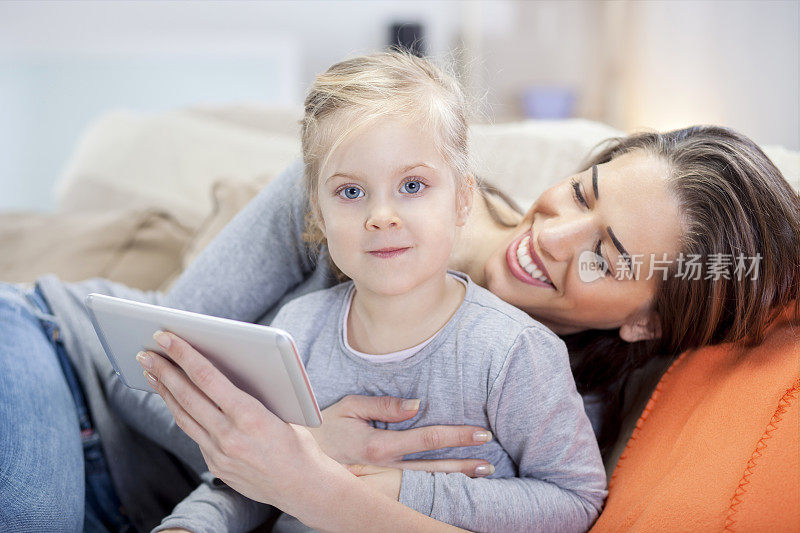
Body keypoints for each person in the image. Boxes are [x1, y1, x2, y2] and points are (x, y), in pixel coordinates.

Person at [1, 51, 798, 531]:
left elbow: (547, 508)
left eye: (607, 256)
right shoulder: (362, 179)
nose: (552, 235)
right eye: (585, 191)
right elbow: (139, 356)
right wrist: (302, 448)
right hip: (56, 362)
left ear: (644, 322)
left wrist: (313, 476)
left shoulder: (542, 389)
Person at [128, 50, 606, 533]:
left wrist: (402, 490)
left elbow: (574, 501)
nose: (382, 215)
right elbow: (253, 477)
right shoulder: (296, 329)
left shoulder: (515, 352)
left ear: (463, 199)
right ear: (317, 213)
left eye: (413, 185)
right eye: (351, 192)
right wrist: (189, 526)